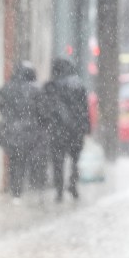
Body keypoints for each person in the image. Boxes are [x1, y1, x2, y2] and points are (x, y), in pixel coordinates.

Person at [42, 57, 91, 202]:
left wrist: (46, 124)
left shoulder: (50, 86)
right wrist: (86, 127)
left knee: (58, 161)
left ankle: (59, 190)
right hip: (75, 129)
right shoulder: (78, 85)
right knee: (75, 159)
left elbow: (45, 108)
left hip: (57, 130)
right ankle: (73, 184)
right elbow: (84, 109)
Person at [0, 62, 41, 202]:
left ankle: (15, 187)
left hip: (9, 130)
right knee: (22, 159)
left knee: (13, 159)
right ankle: (18, 189)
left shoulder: (7, 88)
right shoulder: (35, 90)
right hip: (28, 131)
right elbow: (41, 111)